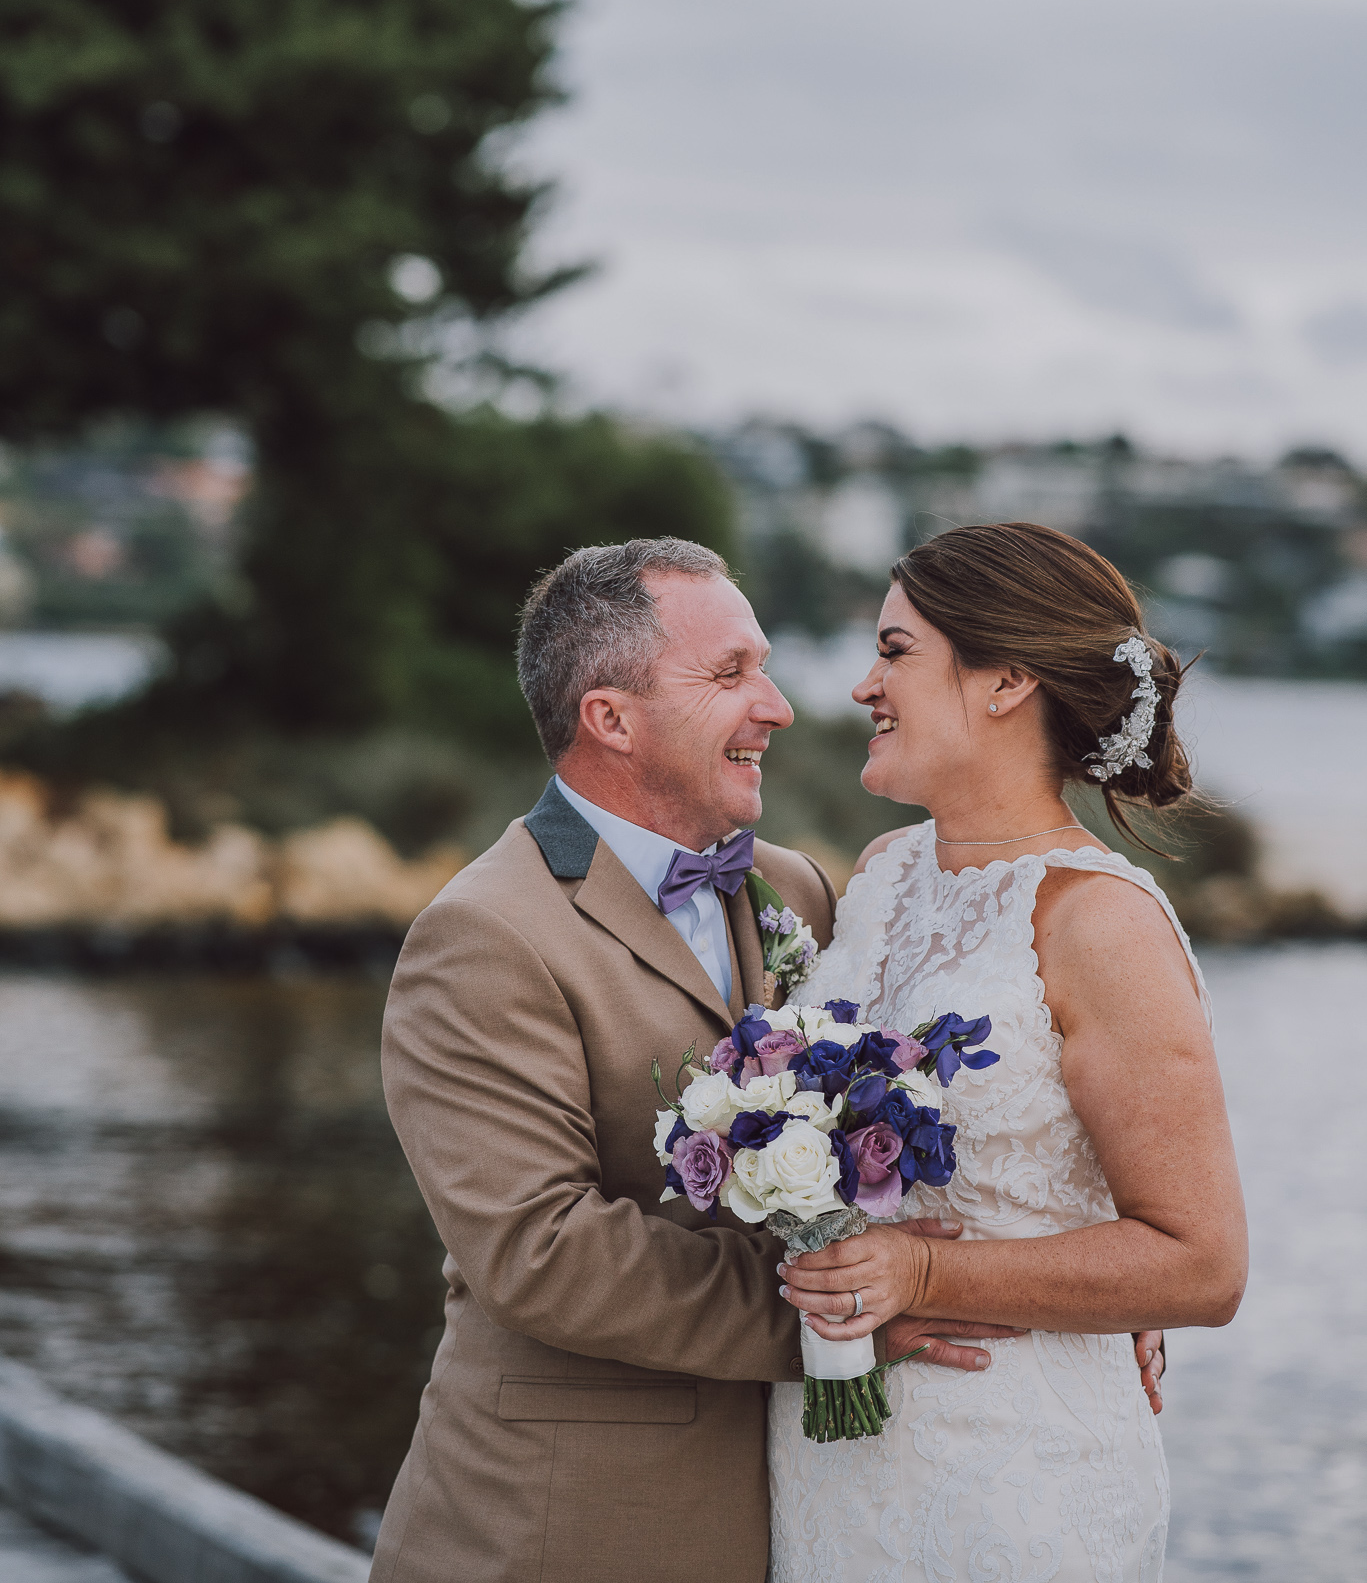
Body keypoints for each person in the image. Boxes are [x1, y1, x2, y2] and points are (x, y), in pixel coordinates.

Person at [370, 537, 996, 1583]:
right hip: (563, 1524)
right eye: (730, 673)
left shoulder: (793, 889)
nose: (779, 706)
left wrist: (1092, 1294)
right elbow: (540, 1250)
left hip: (800, 1506)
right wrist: (845, 1309)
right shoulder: (482, 934)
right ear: (609, 718)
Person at [768, 522, 1248, 1583]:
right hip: (831, 1459)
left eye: (895, 651)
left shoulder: (1099, 922)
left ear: (1003, 680)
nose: (862, 685)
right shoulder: (886, 873)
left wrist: (932, 1267)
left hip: (1010, 1477)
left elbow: (1202, 1262)